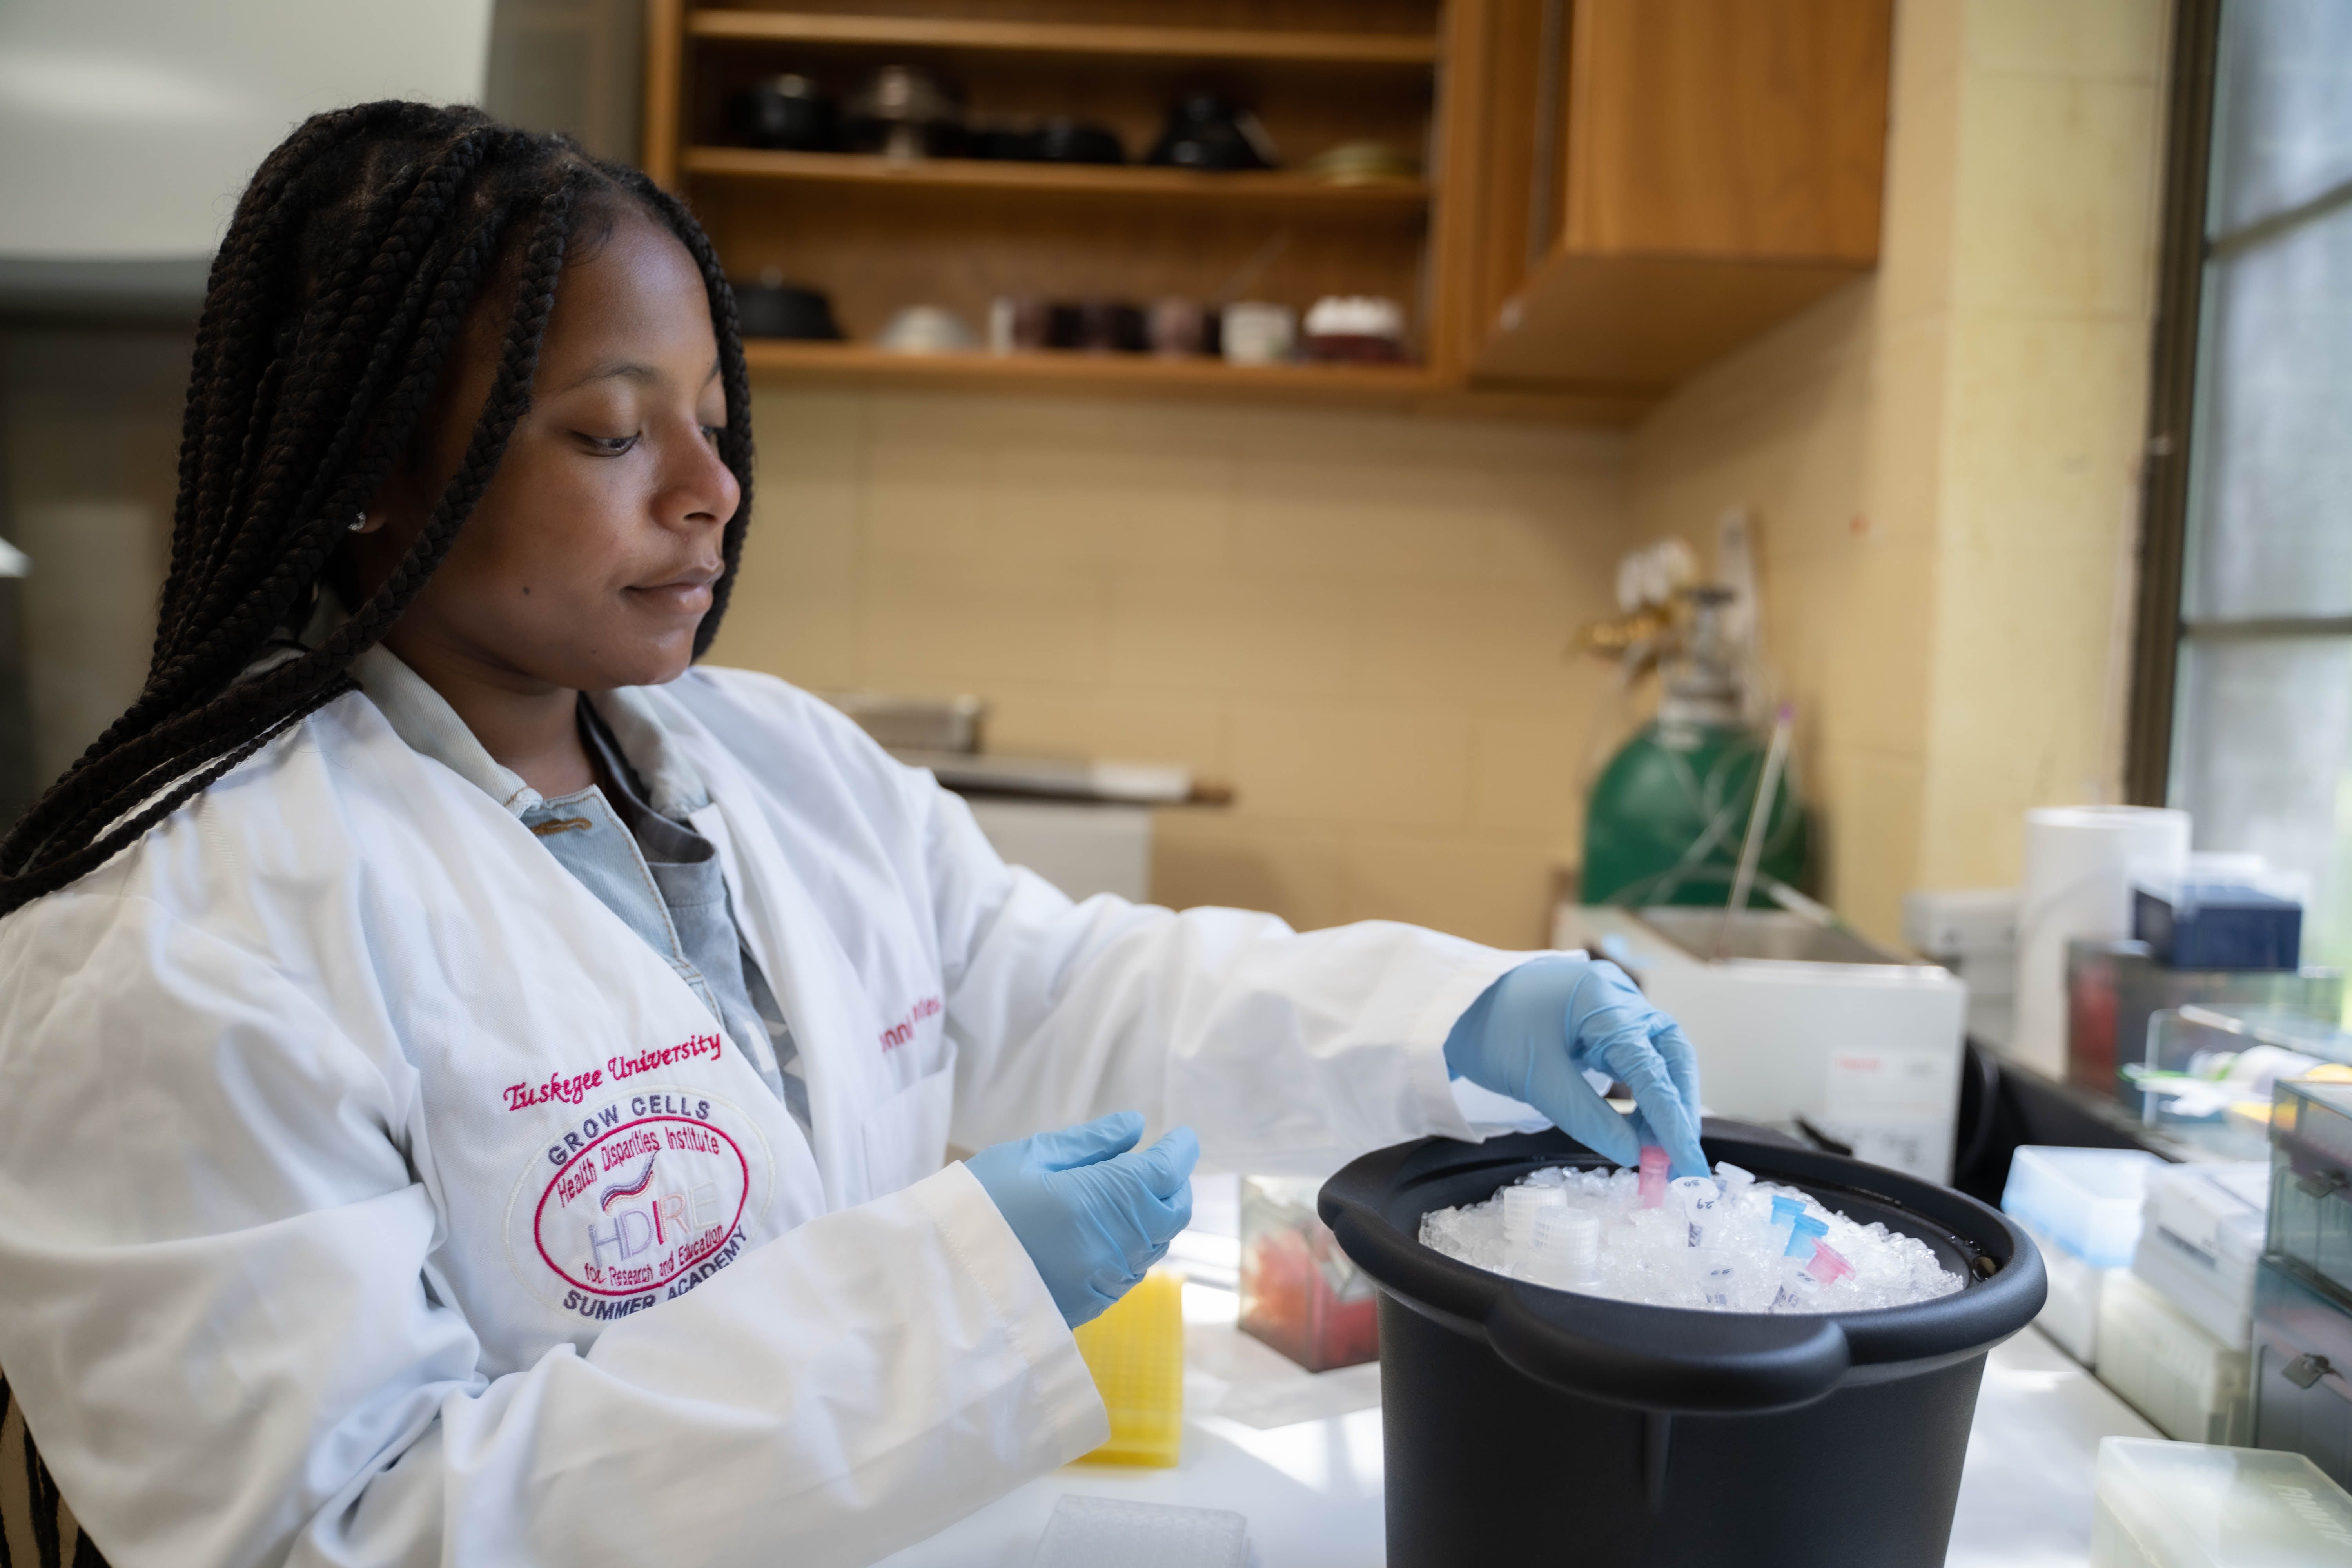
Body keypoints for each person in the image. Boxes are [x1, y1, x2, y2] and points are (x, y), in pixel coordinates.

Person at [0, 105, 1704, 1568]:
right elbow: (340, 1536)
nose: (710, 491)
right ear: (369, 468)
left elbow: (1042, 981)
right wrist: (945, 1302)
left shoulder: (777, 764)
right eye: (611, 432)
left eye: (715, 429)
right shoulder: (179, 941)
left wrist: (1445, 1022)